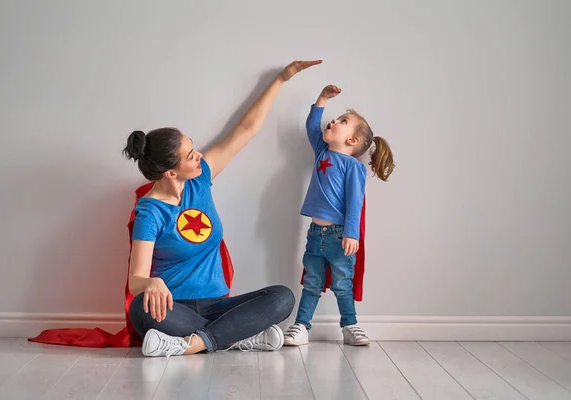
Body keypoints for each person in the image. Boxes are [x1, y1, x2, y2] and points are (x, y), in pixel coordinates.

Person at [123, 60, 322, 357]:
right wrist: (151, 282)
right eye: (190, 155)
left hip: (218, 304)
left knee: (282, 297)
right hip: (174, 307)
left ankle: (195, 343)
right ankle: (236, 335)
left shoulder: (199, 179)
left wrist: (282, 78)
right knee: (141, 310)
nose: (199, 156)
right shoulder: (150, 212)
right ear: (170, 172)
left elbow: (247, 129)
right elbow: (135, 280)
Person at [283, 84, 395, 346]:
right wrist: (322, 99)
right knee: (311, 283)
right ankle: (301, 326)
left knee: (343, 284)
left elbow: (356, 203)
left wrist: (351, 233)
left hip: (339, 236)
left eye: (343, 121)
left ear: (352, 140)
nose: (333, 121)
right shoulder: (322, 151)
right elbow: (312, 126)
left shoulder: (353, 167)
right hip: (315, 234)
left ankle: (350, 325)